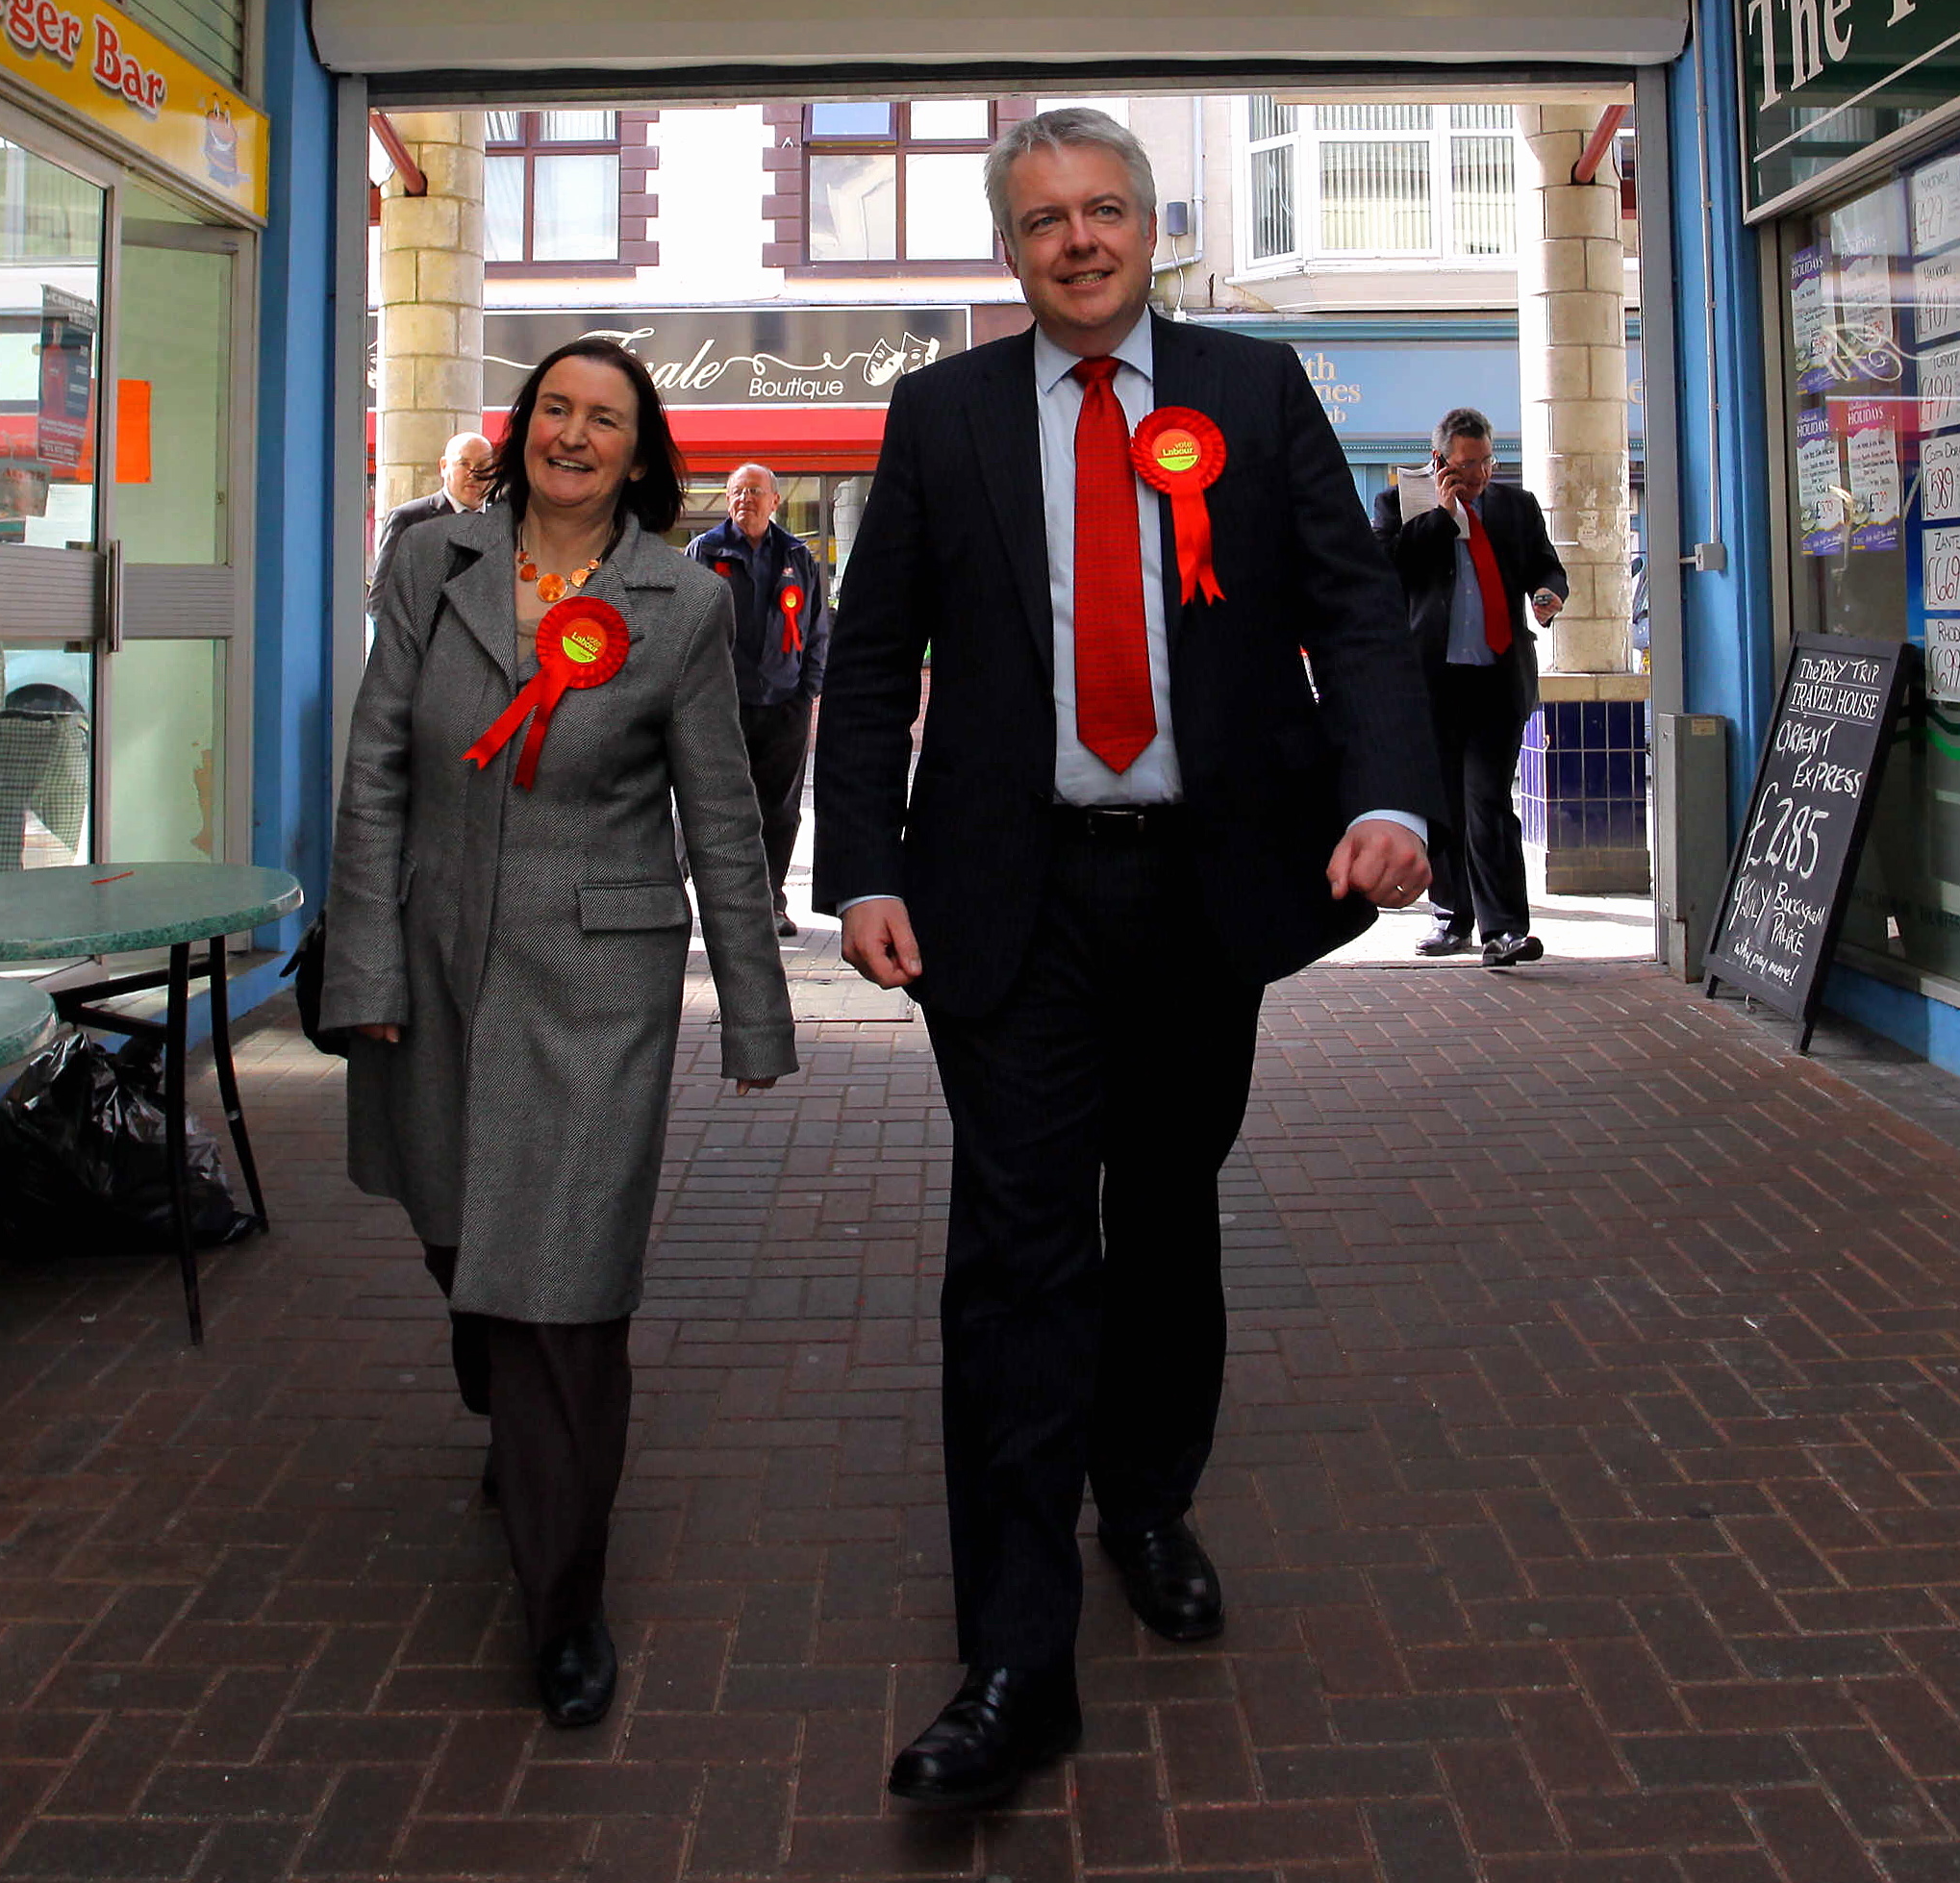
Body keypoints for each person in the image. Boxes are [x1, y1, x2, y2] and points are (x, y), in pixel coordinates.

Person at [815, 108, 1440, 1812]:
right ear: (1008, 249)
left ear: (1147, 228)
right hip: (1004, 903)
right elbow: (870, 662)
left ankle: (1147, 1494)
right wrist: (856, 865)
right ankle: (1014, 1655)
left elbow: (1352, 608)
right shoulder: (939, 416)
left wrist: (1389, 787)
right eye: (1040, 219)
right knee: (1015, 1256)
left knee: (1163, 1210)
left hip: (1198, 894)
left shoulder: (1248, 388)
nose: (1074, 240)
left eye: (1101, 211)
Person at [316, 339, 797, 1729]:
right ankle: (505, 1407)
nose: (573, 437)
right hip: (437, 960)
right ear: (520, 427)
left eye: (605, 420)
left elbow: (720, 816)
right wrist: (364, 972)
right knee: (467, 1244)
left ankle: (564, 1599)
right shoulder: (432, 566)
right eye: (554, 411)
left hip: (601, 979)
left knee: (566, 1295)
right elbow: (376, 780)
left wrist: (754, 1013)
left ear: (639, 454)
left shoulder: (681, 606)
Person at [1373, 409, 1570, 967]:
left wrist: (1548, 593)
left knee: (1487, 800)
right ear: (1439, 462)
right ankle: (1450, 918)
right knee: (1444, 807)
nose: (1481, 474)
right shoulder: (1398, 505)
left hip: (1496, 679)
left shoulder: (1516, 506)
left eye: (1487, 461)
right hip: (1431, 683)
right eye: (1467, 464)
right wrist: (1443, 515)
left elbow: (1546, 567)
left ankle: (1504, 930)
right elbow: (1386, 568)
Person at [682, 464, 832, 937]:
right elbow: (682, 626)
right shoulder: (704, 552)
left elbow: (815, 625)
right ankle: (677, 900)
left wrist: (808, 687)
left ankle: (770, 902)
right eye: (736, 492)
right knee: (705, 802)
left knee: (779, 809)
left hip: (784, 703)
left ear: (775, 501)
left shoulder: (797, 556)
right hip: (719, 705)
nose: (745, 499)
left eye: (754, 491)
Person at [374, 430, 496, 582]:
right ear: (444, 467)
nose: (473, 473)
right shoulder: (410, 520)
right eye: (464, 464)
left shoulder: (506, 523)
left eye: (482, 465)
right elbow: (383, 596)